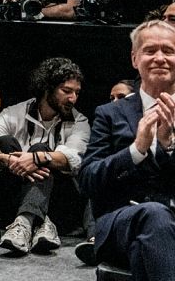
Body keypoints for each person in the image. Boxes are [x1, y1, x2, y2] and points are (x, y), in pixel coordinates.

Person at [80, 20, 175, 277]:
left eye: (168, 51)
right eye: (150, 50)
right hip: (121, 220)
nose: (160, 58)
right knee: (154, 217)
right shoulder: (110, 113)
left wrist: (168, 148)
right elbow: (88, 179)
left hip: (166, 227)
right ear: (135, 59)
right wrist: (136, 151)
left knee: (146, 247)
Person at [0, 58, 89, 257]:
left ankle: (25, 222)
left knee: (41, 150)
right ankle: (42, 223)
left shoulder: (79, 121)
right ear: (47, 88)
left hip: (60, 203)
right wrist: (7, 160)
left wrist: (36, 158)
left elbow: (74, 160)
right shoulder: (13, 114)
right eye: (66, 91)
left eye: (76, 92)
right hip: (11, 195)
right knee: (6, 142)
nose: (73, 98)